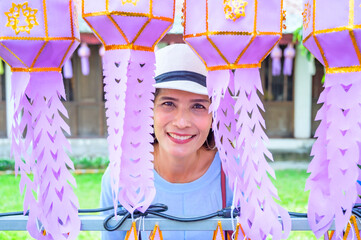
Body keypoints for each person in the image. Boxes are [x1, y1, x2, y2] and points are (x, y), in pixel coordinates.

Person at [100, 44, 232, 240]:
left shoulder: (235, 175)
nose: (181, 122)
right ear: (148, 109)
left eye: (198, 106)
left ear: (214, 115)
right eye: (168, 104)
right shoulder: (120, 177)